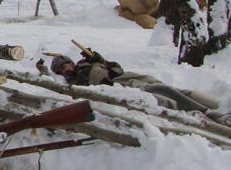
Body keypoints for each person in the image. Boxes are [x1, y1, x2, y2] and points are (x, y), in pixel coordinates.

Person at [50, 52, 227, 121]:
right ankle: (209, 117)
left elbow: (117, 68)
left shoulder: (86, 64)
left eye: (64, 65)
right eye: (60, 70)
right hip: (121, 88)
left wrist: (101, 60)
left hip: (128, 78)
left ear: (70, 62)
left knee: (176, 91)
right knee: (163, 96)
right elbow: (89, 88)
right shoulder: (73, 82)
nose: (65, 70)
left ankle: (219, 108)